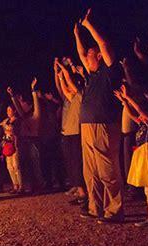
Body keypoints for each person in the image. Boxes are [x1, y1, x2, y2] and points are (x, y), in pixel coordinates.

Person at [74, 8, 124, 223]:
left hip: (103, 126)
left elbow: (103, 45)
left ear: (100, 57)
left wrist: (88, 26)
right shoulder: (92, 75)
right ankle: (96, 208)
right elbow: (81, 55)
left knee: (107, 170)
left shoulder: (109, 72)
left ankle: (115, 210)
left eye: (90, 55)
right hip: (87, 126)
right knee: (90, 173)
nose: (86, 58)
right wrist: (77, 36)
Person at [114, 85, 148, 227]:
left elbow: (140, 111)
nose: (140, 116)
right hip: (145, 155)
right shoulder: (143, 124)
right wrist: (124, 102)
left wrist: (128, 97)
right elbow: (133, 115)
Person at [54, 58, 87, 205]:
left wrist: (63, 68)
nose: (69, 86)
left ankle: (85, 194)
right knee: (72, 165)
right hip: (68, 134)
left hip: (76, 134)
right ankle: (81, 193)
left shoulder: (80, 94)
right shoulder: (73, 97)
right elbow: (64, 88)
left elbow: (69, 83)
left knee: (78, 164)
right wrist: (60, 76)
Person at [7, 78, 43, 194]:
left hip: (32, 141)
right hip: (25, 142)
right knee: (27, 165)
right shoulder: (23, 117)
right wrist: (12, 96)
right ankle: (31, 186)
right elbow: (18, 107)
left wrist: (33, 90)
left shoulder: (35, 116)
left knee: (35, 165)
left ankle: (39, 185)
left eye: (24, 104)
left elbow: (36, 104)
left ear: (29, 105)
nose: (22, 106)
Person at [0, 105, 23, 194]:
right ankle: (15, 185)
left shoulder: (17, 121)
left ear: (14, 111)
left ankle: (21, 186)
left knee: (16, 166)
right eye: (7, 110)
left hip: (15, 145)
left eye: (10, 110)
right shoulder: (5, 121)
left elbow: (17, 134)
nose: (8, 111)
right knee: (9, 166)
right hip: (7, 145)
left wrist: (16, 145)